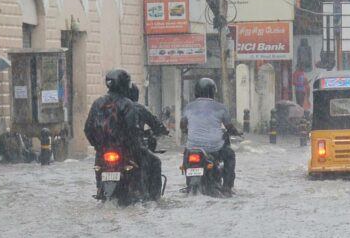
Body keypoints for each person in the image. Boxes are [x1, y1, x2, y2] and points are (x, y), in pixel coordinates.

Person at [84, 69, 162, 201]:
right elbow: (132, 130)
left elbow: (88, 129)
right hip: (126, 150)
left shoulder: (97, 103)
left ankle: (99, 188)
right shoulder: (127, 104)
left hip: (103, 151)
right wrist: (132, 148)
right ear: (124, 84)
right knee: (155, 162)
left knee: (99, 165)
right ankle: (154, 199)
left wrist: (99, 147)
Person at [180, 77, 242, 197]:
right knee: (230, 155)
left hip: (192, 148)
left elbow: (182, 125)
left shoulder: (188, 107)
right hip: (214, 149)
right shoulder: (221, 108)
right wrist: (237, 132)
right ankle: (227, 187)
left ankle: (188, 182)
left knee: (186, 154)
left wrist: (186, 131)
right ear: (213, 91)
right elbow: (229, 127)